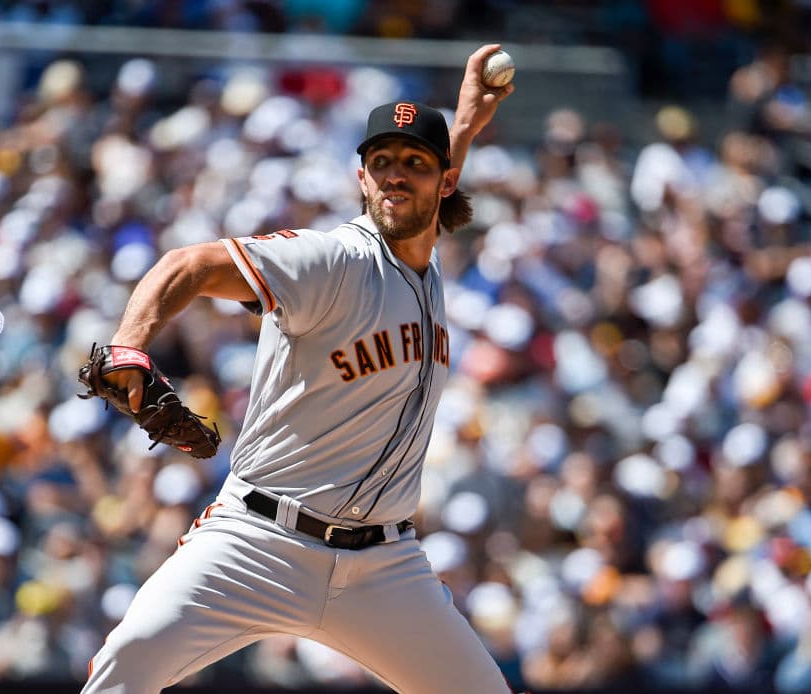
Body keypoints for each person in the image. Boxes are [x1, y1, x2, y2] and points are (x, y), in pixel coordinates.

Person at [80, 44, 515, 694]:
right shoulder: (332, 260)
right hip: (259, 540)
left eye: (415, 164)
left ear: (445, 182)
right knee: (127, 664)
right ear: (362, 178)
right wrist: (129, 345)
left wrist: (467, 125)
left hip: (385, 569)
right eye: (381, 163)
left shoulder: (423, 266)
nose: (395, 177)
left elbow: (421, 211)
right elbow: (187, 266)